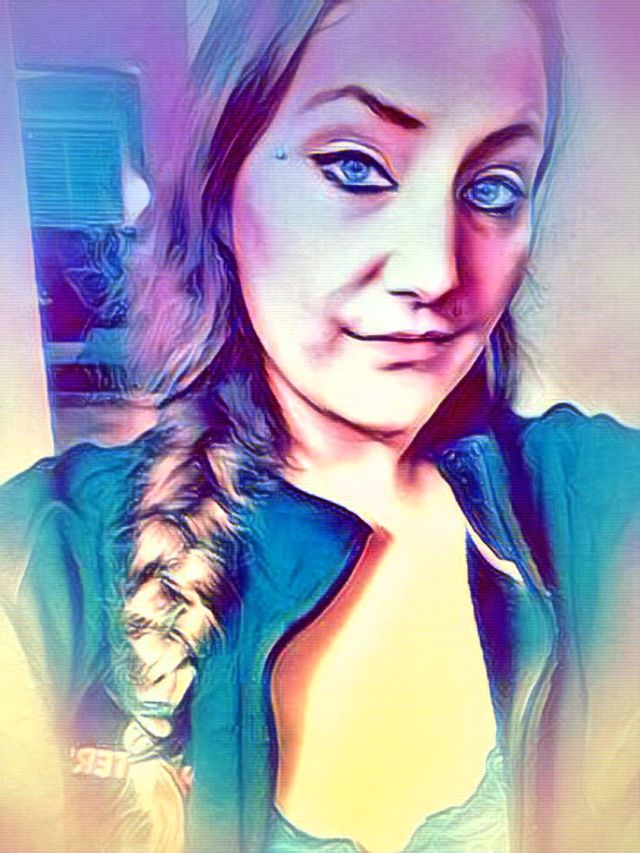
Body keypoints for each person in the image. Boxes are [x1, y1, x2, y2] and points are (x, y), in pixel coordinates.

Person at [1, 1, 639, 852]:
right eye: (355, 166)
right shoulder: (45, 564)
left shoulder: (603, 507)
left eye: (492, 188)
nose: (435, 272)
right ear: (222, 189)